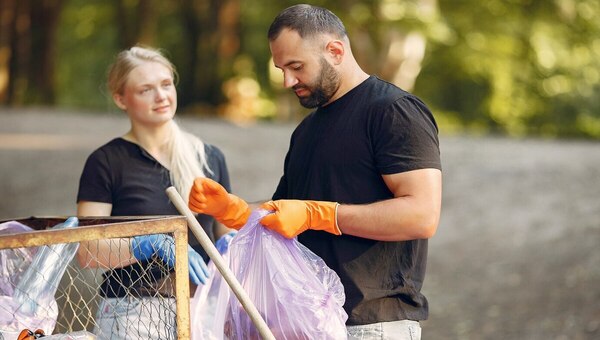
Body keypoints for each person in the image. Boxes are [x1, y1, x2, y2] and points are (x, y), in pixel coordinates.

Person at [189, 4, 442, 339]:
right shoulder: (307, 130)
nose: (287, 80)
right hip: (306, 323)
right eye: (281, 68)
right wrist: (235, 211)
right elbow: (285, 214)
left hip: (373, 324)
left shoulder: (394, 112)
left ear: (335, 50)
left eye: (296, 66)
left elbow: (422, 215)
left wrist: (319, 214)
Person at [76, 46, 234, 339]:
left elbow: (226, 235)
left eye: (165, 84)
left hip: (204, 310)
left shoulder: (209, 158)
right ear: (121, 99)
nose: (161, 96)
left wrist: (235, 246)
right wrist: (146, 245)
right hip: (131, 313)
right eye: (145, 89)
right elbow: (88, 252)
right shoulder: (106, 162)